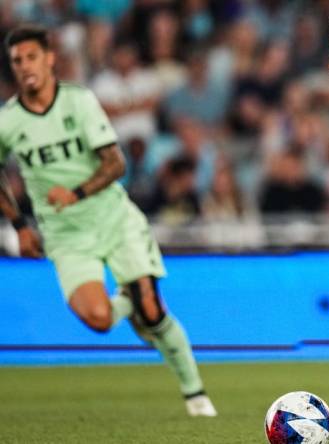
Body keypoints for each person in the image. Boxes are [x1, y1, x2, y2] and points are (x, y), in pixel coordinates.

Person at [0, 26, 216, 417]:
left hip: (113, 218)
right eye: (17, 61)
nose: (25, 66)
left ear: (49, 58)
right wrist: (19, 225)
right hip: (64, 235)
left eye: (31, 57)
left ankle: (195, 394)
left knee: (153, 313)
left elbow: (116, 163)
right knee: (99, 319)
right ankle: (130, 303)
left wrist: (76, 192)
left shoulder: (78, 102)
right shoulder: (8, 121)